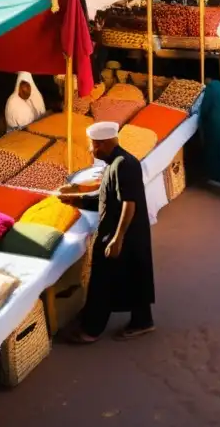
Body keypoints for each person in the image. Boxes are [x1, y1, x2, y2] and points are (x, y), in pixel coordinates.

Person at [59, 122, 155, 342]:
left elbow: (128, 204)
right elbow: (105, 198)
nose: (91, 150)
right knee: (134, 277)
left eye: (93, 146)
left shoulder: (123, 165)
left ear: (102, 144)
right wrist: (75, 199)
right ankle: (143, 321)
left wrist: (117, 239)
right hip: (128, 234)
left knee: (102, 280)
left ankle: (91, 330)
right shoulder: (116, 163)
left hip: (122, 233)